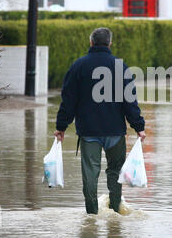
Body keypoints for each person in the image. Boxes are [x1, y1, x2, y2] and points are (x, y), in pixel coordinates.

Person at [54, 27, 146, 215]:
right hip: (115, 131)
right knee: (115, 172)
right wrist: (139, 126)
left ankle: (92, 214)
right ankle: (115, 212)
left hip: (89, 131)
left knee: (90, 173)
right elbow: (130, 101)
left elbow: (68, 100)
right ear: (110, 43)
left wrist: (61, 126)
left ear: (91, 42)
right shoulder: (121, 67)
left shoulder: (78, 66)